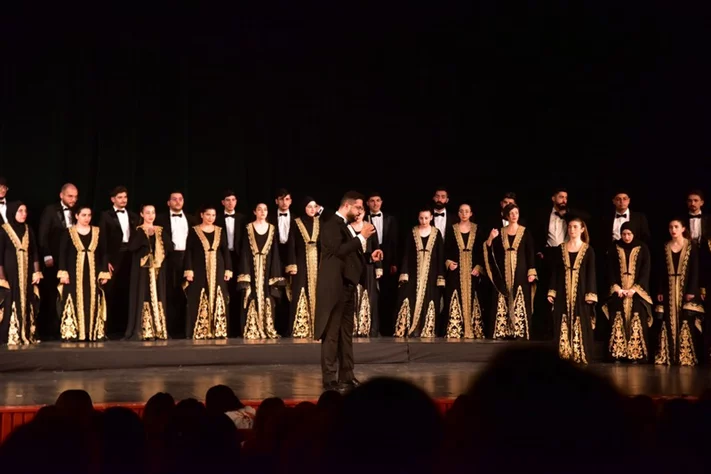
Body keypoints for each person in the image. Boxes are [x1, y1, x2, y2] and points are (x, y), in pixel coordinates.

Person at [314, 191, 376, 391]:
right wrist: (361, 236)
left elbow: (349, 254)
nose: (360, 212)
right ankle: (330, 378)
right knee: (332, 334)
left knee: (346, 333)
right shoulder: (331, 224)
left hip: (347, 286)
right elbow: (338, 251)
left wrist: (368, 256)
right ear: (348, 206)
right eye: (358, 207)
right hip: (334, 288)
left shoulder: (345, 227)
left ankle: (347, 375)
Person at [654, 218, 705, 366]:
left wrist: (691, 290)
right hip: (669, 287)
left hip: (685, 288)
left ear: (683, 229)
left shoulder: (691, 246)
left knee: (685, 320)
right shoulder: (665, 246)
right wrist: (659, 289)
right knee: (668, 320)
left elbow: (695, 270)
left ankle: (685, 355)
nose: (673, 230)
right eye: (670, 227)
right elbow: (661, 271)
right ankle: (668, 355)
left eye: (676, 227)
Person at [57, 205, 111, 341]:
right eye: (83, 215)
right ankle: (73, 332)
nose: (87, 218)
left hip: (93, 272)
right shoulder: (68, 232)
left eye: (89, 215)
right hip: (74, 272)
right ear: (76, 216)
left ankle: (93, 332)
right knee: (74, 298)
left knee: (92, 299)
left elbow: (104, 252)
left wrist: (104, 272)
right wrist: (63, 273)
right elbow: (62, 254)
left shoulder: (97, 232)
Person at [483, 203, 537, 339]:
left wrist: (531, 271)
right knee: (503, 294)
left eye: (516, 213)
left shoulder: (525, 232)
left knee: (520, 296)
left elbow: (530, 252)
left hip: (521, 269)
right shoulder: (500, 232)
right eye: (511, 213)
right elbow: (489, 250)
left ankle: (519, 331)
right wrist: (490, 238)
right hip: (503, 271)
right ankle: (502, 330)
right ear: (507, 216)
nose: (514, 216)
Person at [547, 217, 597, 364]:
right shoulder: (561, 248)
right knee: (562, 318)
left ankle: (579, 352)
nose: (572, 230)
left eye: (575, 227)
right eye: (570, 227)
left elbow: (591, 273)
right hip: (563, 290)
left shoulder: (588, 250)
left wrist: (590, 294)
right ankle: (564, 353)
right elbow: (556, 272)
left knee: (580, 319)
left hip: (581, 291)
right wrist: (552, 291)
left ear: (582, 229)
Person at [602, 222, 653, 362]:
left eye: (629, 234)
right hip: (619, 291)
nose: (626, 237)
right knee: (618, 318)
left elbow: (645, 271)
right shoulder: (614, 247)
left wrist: (635, 289)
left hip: (636, 293)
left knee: (636, 318)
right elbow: (610, 269)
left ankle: (636, 354)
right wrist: (616, 287)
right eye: (623, 234)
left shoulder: (643, 248)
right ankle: (617, 353)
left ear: (634, 234)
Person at [393, 207, 445, 338]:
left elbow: (440, 255)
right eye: (421, 218)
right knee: (409, 297)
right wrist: (404, 272)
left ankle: (426, 329)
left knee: (429, 298)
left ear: (431, 218)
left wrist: (440, 276)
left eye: (426, 218)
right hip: (413, 270)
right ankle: (408, 328)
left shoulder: (436, 233)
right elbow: (406, 253)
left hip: (431, 272)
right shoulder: (413, 232)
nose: (424, 221)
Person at [183, 205, 232, 339]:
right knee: (200, 294)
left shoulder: (220, 230)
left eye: (213, 215)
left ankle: (218, 329)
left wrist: (228, 269)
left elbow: (225, 250)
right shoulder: (194, 231)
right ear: (202, 215)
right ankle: (201, 330)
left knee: (218, 293)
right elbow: (189, 251)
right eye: (208, 215)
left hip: (218, 266)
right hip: (199, 267)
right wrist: (189, 270)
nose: (211, 218)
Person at [236, 202, 284, 339]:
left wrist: (275, 273)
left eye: (265, 209)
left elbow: (275, 251)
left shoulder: (272, 229)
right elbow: (244, 250)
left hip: (267, 267)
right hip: (251, 266)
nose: (262, 212)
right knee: (251, 294)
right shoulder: (248, 228)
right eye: (259, 209)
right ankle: (253, 327)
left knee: (267, 294)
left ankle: (267, 326)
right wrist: (245, 272)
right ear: (254, 212)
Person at [37, 183, 78, 339]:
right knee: (52, 293)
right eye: (70, 196)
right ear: (61, 195)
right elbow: (43, 234)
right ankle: (50, 329)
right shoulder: (50, 210)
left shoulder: (78, 211)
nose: (73, 199)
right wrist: (47, 255)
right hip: (53, 259)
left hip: (71, 259)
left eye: (75, 196)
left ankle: (68, 327)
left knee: (68, 292)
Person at [155, 191, 198, 338]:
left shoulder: (192, 219)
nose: (178, 202)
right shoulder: (160, 219)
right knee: (169, 293)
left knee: (187, 293)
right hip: (168, 259)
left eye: (180, 199)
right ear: (168, 203)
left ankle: (185, 329)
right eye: (174, 199)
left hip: (187, 258)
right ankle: (169, 329)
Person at [125, 205, 170, 340]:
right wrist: (146, 239)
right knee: (143, 294)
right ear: (142, 214)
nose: (150, 215)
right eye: (147, 213)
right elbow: (132, 247)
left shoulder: (160, 230)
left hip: (157, 269)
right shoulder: (138, 231)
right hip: (143, 271)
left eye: (153, 212)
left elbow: (169, 247)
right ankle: (144, 329)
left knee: (158, 295)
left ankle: (159, 329)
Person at [99, 186, 140, 338]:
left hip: (130, 256)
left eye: (125, 197)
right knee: (110, 292)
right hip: (114, 258)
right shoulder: (105, 216)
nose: (123, 200)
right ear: (113, 199)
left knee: (128, 291)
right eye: (120, 197)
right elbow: (102, 240)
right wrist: (106, 261)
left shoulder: (134, 216)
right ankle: (107, 329)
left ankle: (127, 328)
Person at [0, 202, 42, 345]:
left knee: (27, 299)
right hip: (11, 273)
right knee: (12, 300)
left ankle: (27, 333)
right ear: (13, 212)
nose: (24, 214)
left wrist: (36, 272)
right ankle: (12, 335)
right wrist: (2, 278)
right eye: (20, 211)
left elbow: (34, 251)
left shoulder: (28, 229)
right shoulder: (4, 231)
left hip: (27, 271)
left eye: (25, 211)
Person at [444, 203, 485, 338]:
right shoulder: (452, 229)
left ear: (471, 213)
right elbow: (447, 249)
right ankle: (456, 329)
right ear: (458, 213)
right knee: (455, 294)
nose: (464, 214)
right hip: (457, 269)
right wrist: (449, 263)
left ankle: (474, 329)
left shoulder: (477, 229)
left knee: (473, 295)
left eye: (467, 211)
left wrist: (479, 267)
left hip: (472, 270)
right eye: (461, 211)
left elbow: (481, 250)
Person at [288, 197, 321, 338]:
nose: (312, 209)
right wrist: (292, 264)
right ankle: (301, 327)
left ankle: (318, 327)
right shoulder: (296, 222)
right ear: (304, 208)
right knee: (301, 289)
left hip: (317, 261)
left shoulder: (320, 222)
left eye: (314, 206)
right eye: (309, 207)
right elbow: (291, 244)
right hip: (301, 261)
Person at [350, 210, 383, 337]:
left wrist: (378, 268)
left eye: (361, 212)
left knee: (370, 295)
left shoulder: (370, 227)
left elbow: (376, 247)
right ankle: (353, 327)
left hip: (368, 267)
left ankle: (368, 328)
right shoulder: (347, 227)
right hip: (353, 266)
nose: (358, 214)